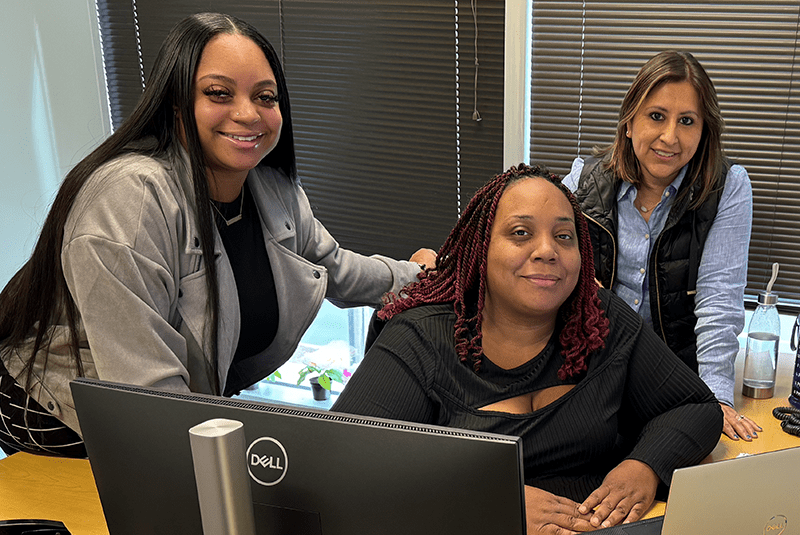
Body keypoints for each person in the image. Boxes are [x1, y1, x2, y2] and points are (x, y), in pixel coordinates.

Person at [0, 12, 434, 458]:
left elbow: (336, 268)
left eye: (265, 97)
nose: (248, 114)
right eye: (218, 93)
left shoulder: (272, 189)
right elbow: (151, 399)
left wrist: (422, 277)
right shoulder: (130, 199)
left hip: (171, 407)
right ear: (175, 104)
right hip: (60, 414)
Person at [333, 163, 722, 533]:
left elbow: (695, 408)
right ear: (481, 250)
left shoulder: (599, 319)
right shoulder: (420, 339)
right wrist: (489, 503)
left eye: (564, 236)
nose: (547, 250)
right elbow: (341, 470)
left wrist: (644, 466)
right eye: (521, 233)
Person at [561, 50, 757, 442]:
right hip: (592, 372)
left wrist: (715, 398)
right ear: (630, 121)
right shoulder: (584, 180)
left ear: (703, 132)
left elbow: (719, 301)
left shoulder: (729, 187)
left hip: (673, 381)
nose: (670, 137)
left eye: (687, 121)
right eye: (656, 116)